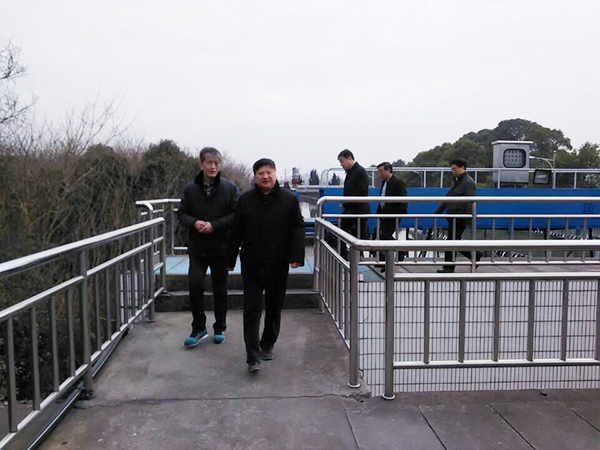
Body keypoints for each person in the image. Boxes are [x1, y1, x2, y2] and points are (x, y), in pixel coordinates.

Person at [228, 158, 305, 373]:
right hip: (252, 263)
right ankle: (252, 356)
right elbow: (235, 231)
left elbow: (298, 228)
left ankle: (267, 343)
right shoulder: (245, 200)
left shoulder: (289, 200)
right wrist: (230, 259)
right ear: (255, 176)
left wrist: (296, 256)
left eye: (269, 172)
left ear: (275, 174)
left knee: (274, 307)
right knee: (251, 310)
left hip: (278, 263)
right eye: (261, 173)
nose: (265, 176)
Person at [177, 147, 240, 347]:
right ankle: (198, 328)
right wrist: (194, 222)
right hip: (197, 248)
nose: (213, 166)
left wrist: (214, 225)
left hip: (220, 247)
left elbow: (236, 215)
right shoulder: (190, 189)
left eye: (216, 163)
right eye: (209, 163)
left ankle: (220, 327)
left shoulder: (230, 188)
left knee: (220, 290)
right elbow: (182, 213)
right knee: (195, 286)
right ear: (201, 164)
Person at [435, 158, 481, 273]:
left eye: (454, 169)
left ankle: (449, 266)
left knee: (452, 241)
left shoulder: (468, 182)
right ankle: (474, 255)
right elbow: (449, 197)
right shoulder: (457, 181)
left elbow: (470, 200)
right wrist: (439, 211)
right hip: (453, 216)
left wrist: (468, 218)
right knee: (453, 240)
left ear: (462, 168)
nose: (452, 171)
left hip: (460, 217)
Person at [338, 149, 370, 259]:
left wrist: (346, 203)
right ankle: (346, 256)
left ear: (350, 158)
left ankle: (351, 257)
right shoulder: (351, 172)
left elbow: (361, 191)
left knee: (358, 237)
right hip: (352, 209)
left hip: (359, 210)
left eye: (342, 161)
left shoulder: (360, 171)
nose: (341, 164)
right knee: (345, 232)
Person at [376, 162, 408, 265]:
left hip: (393, 214)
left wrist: (400, 214)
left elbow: (403, 200)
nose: (379, 174)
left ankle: (400, 251)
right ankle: (386, 260)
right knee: (384, 236)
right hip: (384, 214)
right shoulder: (384, 182)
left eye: (381, 171)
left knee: (385, 236)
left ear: (388, 170)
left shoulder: (397, 183)